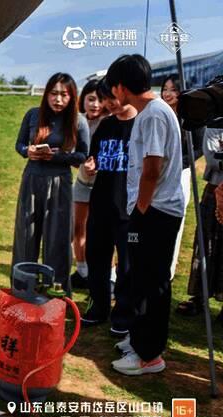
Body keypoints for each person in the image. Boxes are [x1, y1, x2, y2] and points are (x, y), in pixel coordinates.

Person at [105, 55, 183, 376]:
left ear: (121, 87)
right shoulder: (150, 112)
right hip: (152, 210)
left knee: (151, 283)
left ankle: (149, 355)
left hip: (155, 211)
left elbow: (152, 168)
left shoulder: (153, 115)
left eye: (113, 88)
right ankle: (140, 340)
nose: (113, 94)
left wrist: (140, 210)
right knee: (140, 278)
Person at [12, 73, 90, 294]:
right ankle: (23, 289)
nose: (58, 99)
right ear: (46, 94)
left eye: (64, 95)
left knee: (58, 239)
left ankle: (56, 292)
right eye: (54, 93)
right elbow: (19, 144)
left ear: (72, 97)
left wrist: (57, 156)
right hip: (32, 180)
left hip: (60, 182)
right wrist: (28, 151)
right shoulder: (33, 115)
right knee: (26, 236)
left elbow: (82, 156)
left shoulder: (78, 121)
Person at [80, 78, 137, 336]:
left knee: (126, 266)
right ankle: (98, 306)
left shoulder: (142, 124)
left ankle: (123, 315)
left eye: (111, 98)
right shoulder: (105, 126)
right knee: (96, 258)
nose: (107, 104)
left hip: (129, 209)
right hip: (101, 203)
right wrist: (90, 167)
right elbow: (94, 160)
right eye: (104, 99)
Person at [160, 74, 205, 280]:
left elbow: (199, 148)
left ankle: (167, 271)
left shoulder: (192, 116)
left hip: (180, 174)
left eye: (173, 89)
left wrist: (180, 164)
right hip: (157, 173)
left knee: (174, 222)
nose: (167, 94)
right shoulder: (159, 113)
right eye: (165, 89)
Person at [179, 121, 223, 323]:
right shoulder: (216, 124)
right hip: (215, 190)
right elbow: (213, 159)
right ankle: (199, 297)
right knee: (205, 244)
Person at [70, 80, 107, 288]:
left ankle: (106, 273)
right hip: (83, 182)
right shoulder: (78, 122)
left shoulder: (108, 122)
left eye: (100, 100)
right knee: (79, 227)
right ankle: (82, 270)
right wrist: (81, 162)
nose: (95, 104)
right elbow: (74, 155)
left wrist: (98, 164)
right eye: (91, 99)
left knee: (101, 232)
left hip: (103, 186)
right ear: (82, 99)